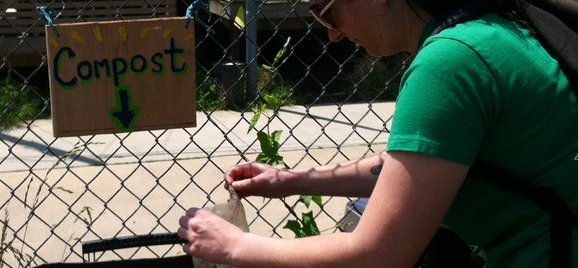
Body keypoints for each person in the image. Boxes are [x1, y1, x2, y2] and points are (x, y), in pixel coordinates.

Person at [177, 0, 578, 266]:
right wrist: (288, 180)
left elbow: (380, 254)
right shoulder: (491, 29)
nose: (330, 33)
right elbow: (418, 164)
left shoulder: (449, 63)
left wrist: (234, 246)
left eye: (327, 11)